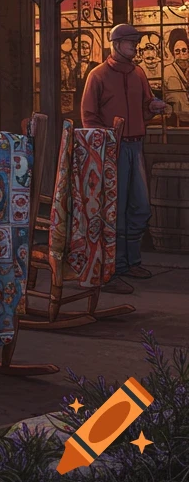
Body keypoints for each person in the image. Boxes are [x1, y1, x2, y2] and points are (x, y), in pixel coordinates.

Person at [81, 23, 168, 293]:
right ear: (116, 44)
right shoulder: (97, 75)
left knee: (140, 205)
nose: (136, 46)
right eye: (131, 42)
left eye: (136, 42)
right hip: (111, 149)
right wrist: (105, 144)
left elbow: (145, 106)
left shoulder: (139, 73)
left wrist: (153, 108)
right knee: (114, 208)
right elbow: (88, 117)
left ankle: (132, 261)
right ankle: (115, 265)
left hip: (135, 146)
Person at [163, 28, 189, 125]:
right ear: (173, 54)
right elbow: (183, 110)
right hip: (178, 124)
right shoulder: (170, 73)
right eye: (177, 52)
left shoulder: (186, 71)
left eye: (184, 51)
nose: (182, 56)